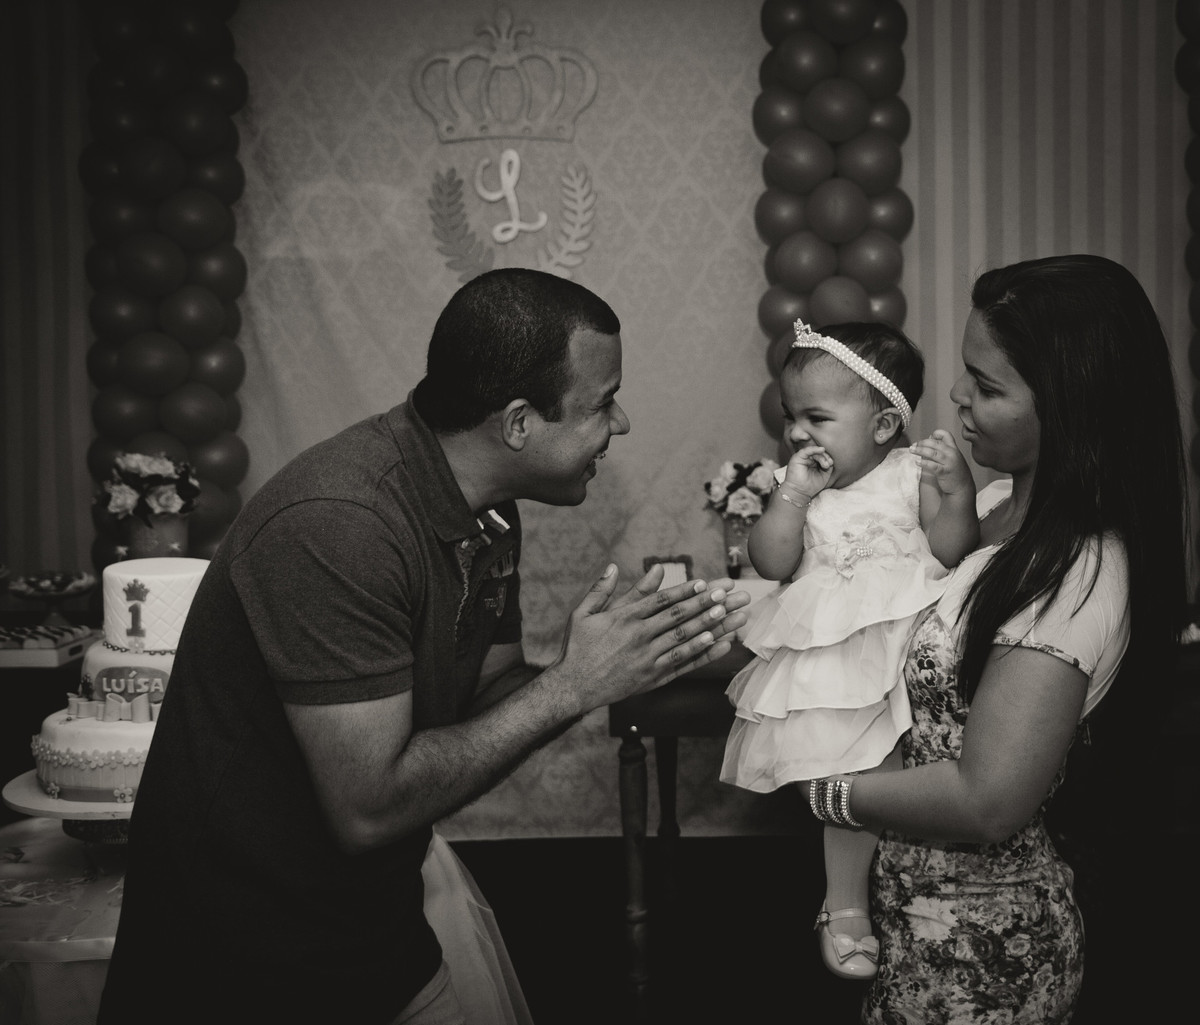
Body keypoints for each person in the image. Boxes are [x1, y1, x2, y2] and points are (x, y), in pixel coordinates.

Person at [97, 268, 750, 1024]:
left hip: (374, 935)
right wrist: (574, 685)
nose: (623, 423)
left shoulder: (490, 506)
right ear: (517, 424)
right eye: (603, 403)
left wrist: (618, 664)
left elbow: (494, 691)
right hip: (242, 966)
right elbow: (368, 807)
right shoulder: (340, 525)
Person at [795, 256, 1188, 1023]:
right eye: (965, 372)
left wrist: (820, 790)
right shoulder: (994, 507)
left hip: (985, 951)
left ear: (1072, 405)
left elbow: (987, 798)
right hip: (914, 921)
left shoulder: (1078, 569)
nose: (955, 395)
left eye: (989, 385)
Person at [720, 320, 979, 980]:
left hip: (910, 649)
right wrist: (792, 496)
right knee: (854, 775)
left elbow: (949, 551)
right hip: (838, 660)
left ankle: (917, 897)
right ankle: (844, 903)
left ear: (886, 425)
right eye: (789, 416)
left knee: (919, 777)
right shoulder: (797, 485)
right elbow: (773, 561)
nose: (797, 432)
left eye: (817, 416)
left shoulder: (904, 475)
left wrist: (956, 494)